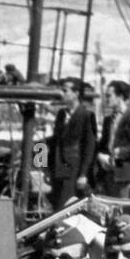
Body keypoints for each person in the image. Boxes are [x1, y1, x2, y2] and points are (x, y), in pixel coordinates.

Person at [48, 78, 97, 210]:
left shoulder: (87, 115)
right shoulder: (61, 114)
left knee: (66, 206)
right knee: (57, 206)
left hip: (74, 170)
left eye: (65, 91)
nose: (62, 94)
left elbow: (90, 146)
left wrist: (83, 174)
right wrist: (38, 157)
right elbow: (55, 141)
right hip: (58, 170)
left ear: (76, 93)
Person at [96, 80, 130, 198]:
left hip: (127, 176)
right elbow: (104, 144)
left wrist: (119, 152)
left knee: (124, 208)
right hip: (109, 174)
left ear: (120, 96)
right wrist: (100, 155)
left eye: (109, 96)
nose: (106, 99)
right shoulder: (108, 120)